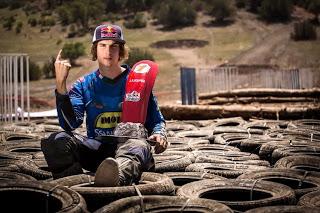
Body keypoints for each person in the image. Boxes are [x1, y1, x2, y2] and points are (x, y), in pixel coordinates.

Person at [41, 24, 168, 186]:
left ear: (121, 51)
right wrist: (60, 84)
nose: (108, 52)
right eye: (103, 45)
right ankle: (74, 190)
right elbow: (69, 124)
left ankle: (114, 179)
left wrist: (160, 135)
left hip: (132, 148)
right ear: (95, 50)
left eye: (114, 46)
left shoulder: (137, 80)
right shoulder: (83, 84)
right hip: (97, 150)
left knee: (138, 144)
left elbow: (157, 121)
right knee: (56, 140)